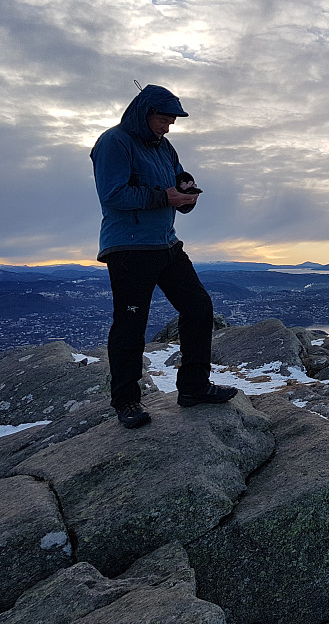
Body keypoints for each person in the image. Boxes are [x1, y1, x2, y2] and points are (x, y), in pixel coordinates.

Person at [90, 84, 237, 428]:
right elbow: (113, 195)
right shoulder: (114, 142)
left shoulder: (164, 148)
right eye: (164, 119)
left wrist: (186, 192)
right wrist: (166, 197)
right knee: (131, 324)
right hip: (129, 247)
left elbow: (176, 182)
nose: (168, 126)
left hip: (166, 244)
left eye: (172, 121)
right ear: (145, 112)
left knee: (199, 307)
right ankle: (126, 401)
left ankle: (194, 387)